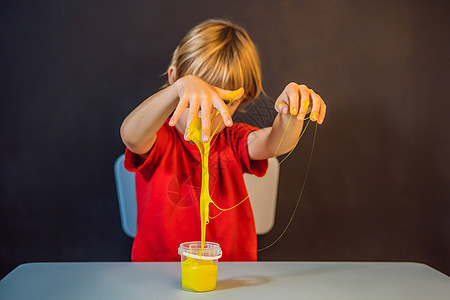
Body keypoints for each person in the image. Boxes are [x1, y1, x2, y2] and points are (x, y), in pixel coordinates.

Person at [120, 19, 326, 261]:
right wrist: (179, 90)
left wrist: (291, 112)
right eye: (195, 97)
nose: (206, 112)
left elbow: (276, 143)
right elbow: (132, 136)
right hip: (157, 275)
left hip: (231, 275)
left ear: (243, 100)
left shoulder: (234, 140)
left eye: (223, 102)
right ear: (174, 78)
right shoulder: (160, 138)